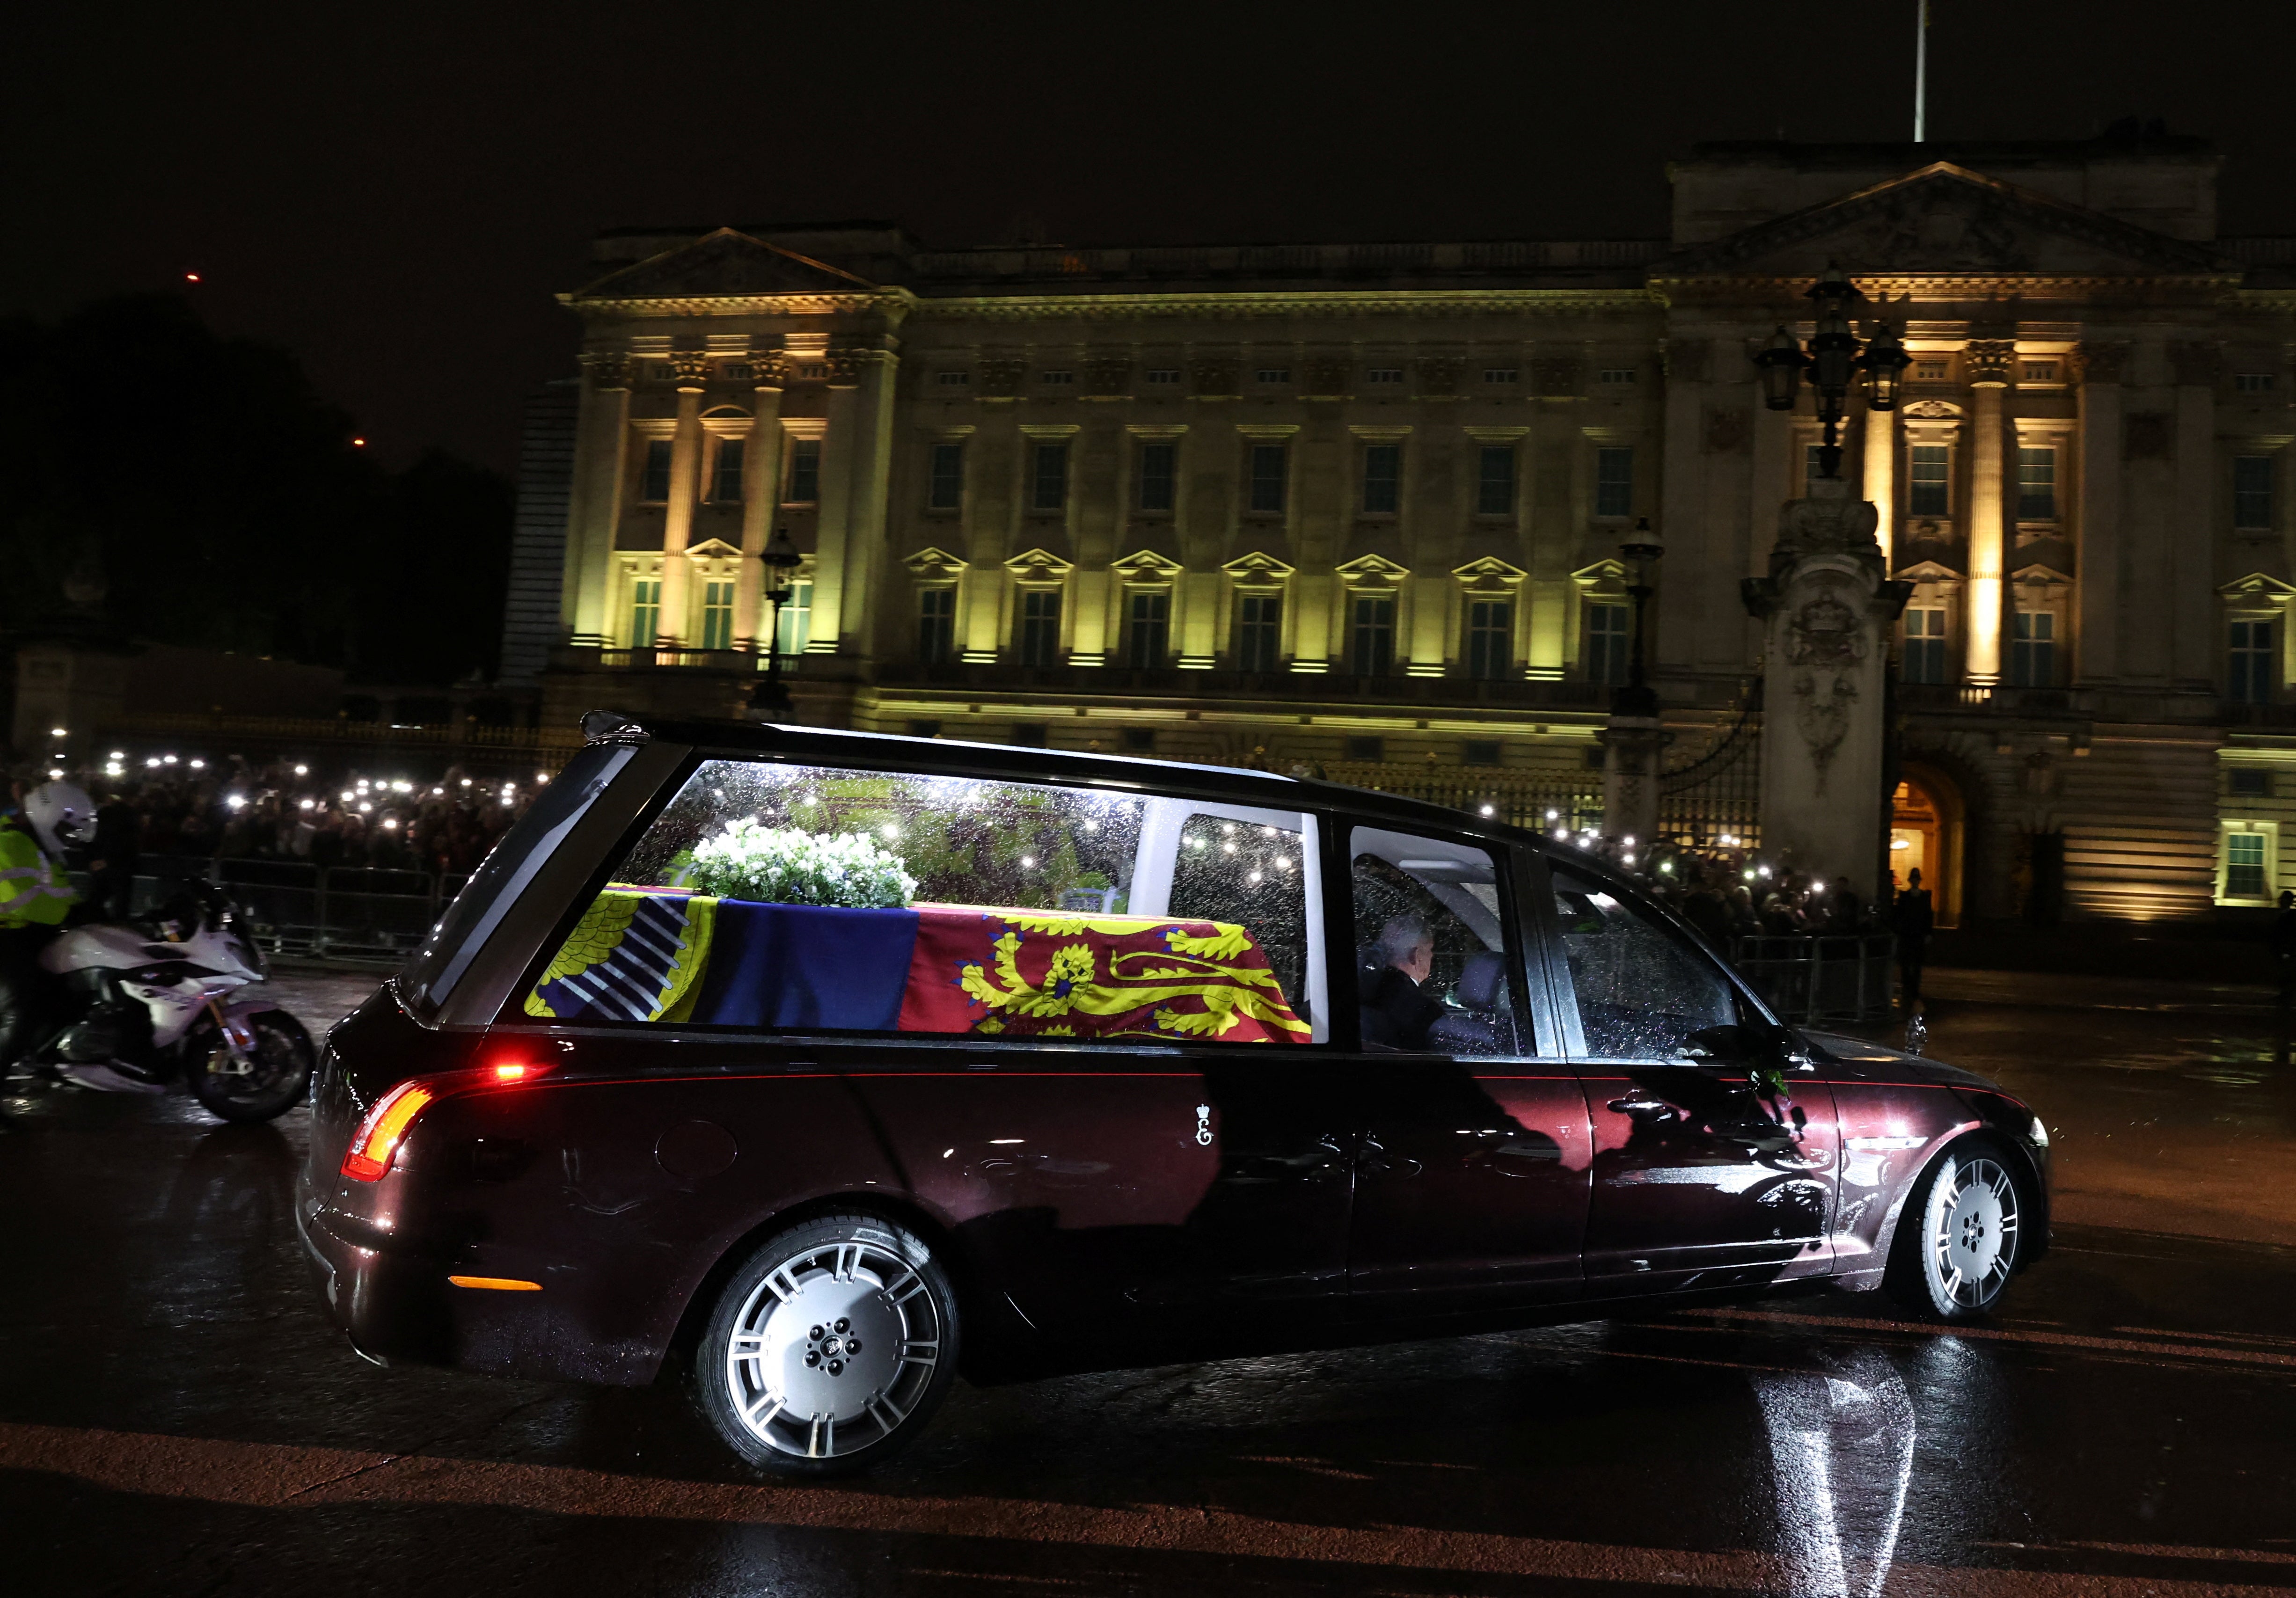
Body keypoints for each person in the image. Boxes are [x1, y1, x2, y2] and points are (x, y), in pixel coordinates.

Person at [0, 778, 93, 1109]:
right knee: (26, 1008)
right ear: (49, 816)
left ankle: (40, 1060)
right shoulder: (10, 844)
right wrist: (74, 912)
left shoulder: (37, 845)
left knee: (72, 995)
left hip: (28, 936)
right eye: (66, 830)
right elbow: (32, 904)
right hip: (8, 936)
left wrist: (93, 910)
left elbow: (62, 893)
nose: (69, 839)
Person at [1358, 912, 1445, 1050]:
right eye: (1430, 949)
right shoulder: (1425, 1012)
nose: (1432, 955)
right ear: (1415, 956)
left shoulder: (1363, 991)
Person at [87, 788, 140, 921]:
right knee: (120, 906)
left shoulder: (101, 815)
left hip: (102, 865)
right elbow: (131, 844)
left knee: (96, 902)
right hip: (121, 866)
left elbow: (92, 839)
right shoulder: (129, 816)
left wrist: (94, 860)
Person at [1894, 867, 1935, 1011]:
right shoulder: (1915, 897)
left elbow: (1928, 916)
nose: (1916, 882)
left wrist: (1928, 933)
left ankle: (1913, 989)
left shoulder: (1912, 897)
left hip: (1915, 934)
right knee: (1908, 964)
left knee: (1915, 964)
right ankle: (1910, 989)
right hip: (1910, 934)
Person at [2271, 890, 2296, 1009]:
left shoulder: (2290, 917)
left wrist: (2287, 951)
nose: (2280, 902)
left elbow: (2289, 935)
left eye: (2283, 900)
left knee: (2288, 975)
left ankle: (2287, 997)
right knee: (2286, 975)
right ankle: (2286, 996)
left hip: (2287, 952)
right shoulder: (2285, 915)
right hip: (2284, 952)